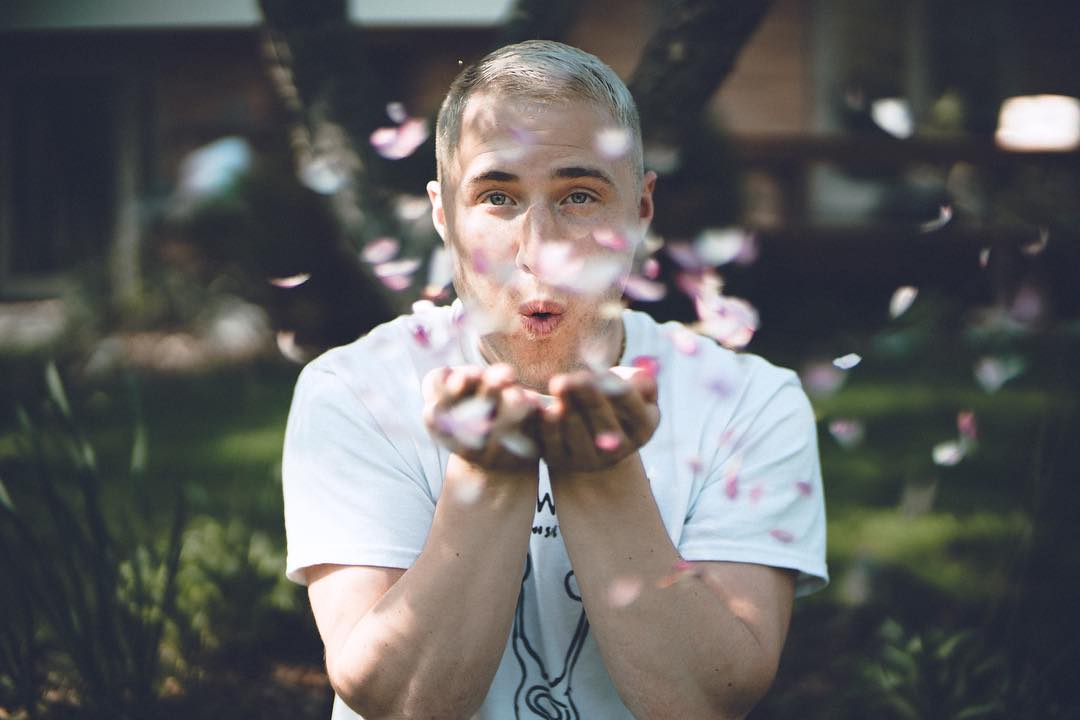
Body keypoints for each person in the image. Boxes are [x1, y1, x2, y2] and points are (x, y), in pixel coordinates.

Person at [282, 40, 827, 720]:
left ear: (640, 209)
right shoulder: (351, 390)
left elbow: (704, 702)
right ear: (442, 213)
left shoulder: (751, 402)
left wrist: (603, 475)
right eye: (498, 196)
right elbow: (399, 703)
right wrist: (486, 478)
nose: (538, 245)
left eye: (578, 195)